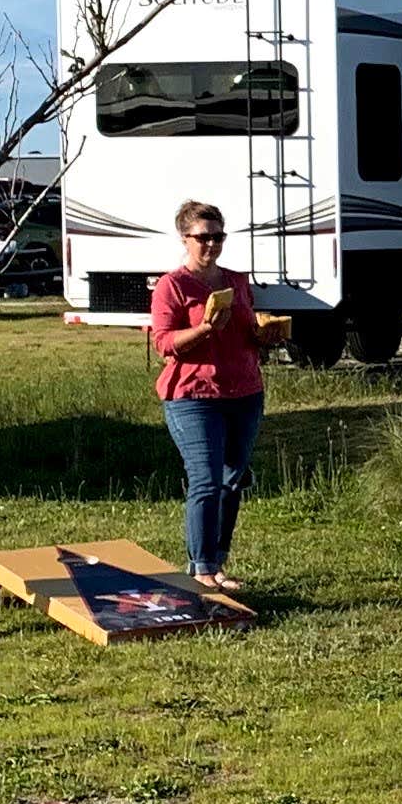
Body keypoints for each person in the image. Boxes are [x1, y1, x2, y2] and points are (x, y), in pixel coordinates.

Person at [148, 200, 268, 592]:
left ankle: (217, 564)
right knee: (206, 478)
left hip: (244, 391)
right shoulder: (173, 286)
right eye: (204, 237)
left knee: (233, 478)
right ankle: (200, 567)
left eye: (218, 236)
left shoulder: (237, 280)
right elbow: (164, 343)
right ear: (185, 238)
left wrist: (264, 335)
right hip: (193, 395)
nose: (212, 245)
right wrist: (203, 329)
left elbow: (249, 330)